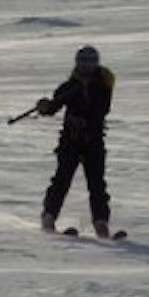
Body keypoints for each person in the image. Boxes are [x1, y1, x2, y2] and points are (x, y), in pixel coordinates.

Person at [33, 45, 116, 237]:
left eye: (91, 62)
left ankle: (101, 223)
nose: (87, 66)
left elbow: (101, 109)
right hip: (70, 141)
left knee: (97, 184)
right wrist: (45, 107)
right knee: (62, 181)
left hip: (94, 142)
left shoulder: (103, 85)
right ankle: (49, 217)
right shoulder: (68, 87)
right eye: (84, 62)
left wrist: (83, 119)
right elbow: (54, 106)